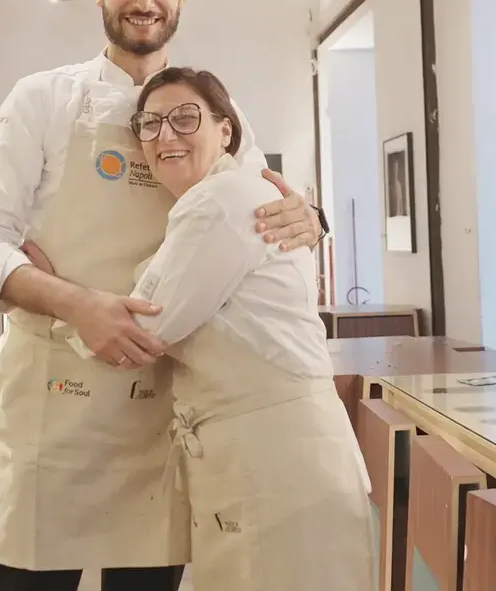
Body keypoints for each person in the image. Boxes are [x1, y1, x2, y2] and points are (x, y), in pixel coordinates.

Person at [0, 0, 326, 591]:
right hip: (52, 407)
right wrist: (77, 303)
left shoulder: (218, 106)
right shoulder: (41, 100)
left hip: (165, 404)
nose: (143, 1)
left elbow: (262, 207)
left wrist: (310, 214)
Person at [129, 67, 374, 590]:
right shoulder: (217, 200)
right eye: (149, 124)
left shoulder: (220, 201)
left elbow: (147, 329)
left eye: (184, 118)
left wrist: (52, 301)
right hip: (269, 449)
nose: (165, 135)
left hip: (274, 456)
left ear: (226, 129)